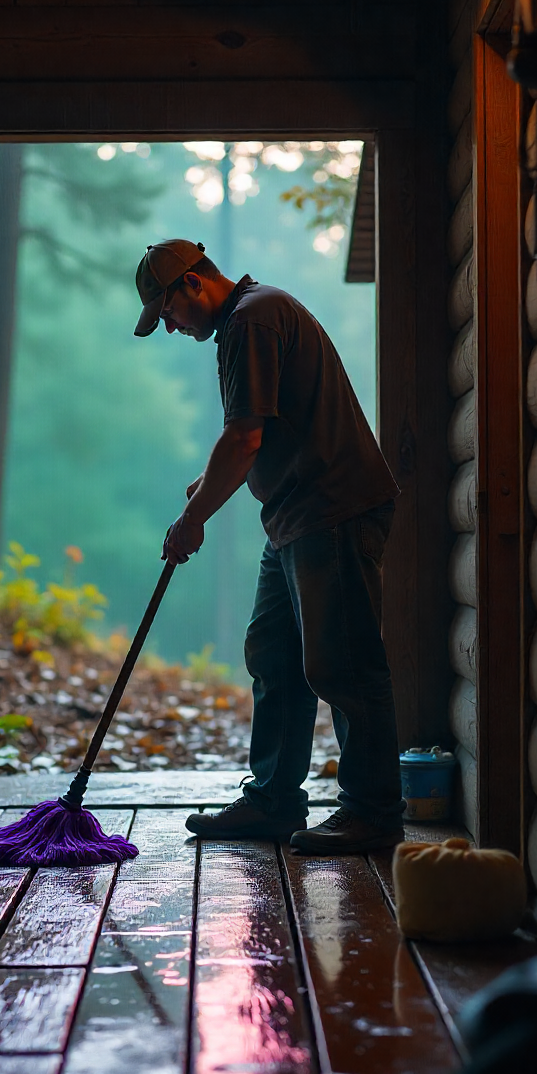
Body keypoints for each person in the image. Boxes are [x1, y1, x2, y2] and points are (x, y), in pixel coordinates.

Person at [134, 238, 405, 854]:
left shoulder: (253, 318)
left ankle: (373, 814)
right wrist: (205, 486)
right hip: (294, 516)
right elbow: (258, 432)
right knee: (275, 657)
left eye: (167, 313)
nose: (171, 328)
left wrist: (192, 519)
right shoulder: (247, 319)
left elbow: (244, 438)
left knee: (343, 665)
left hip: (331, 510)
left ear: (192, 285)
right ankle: (274, 801)